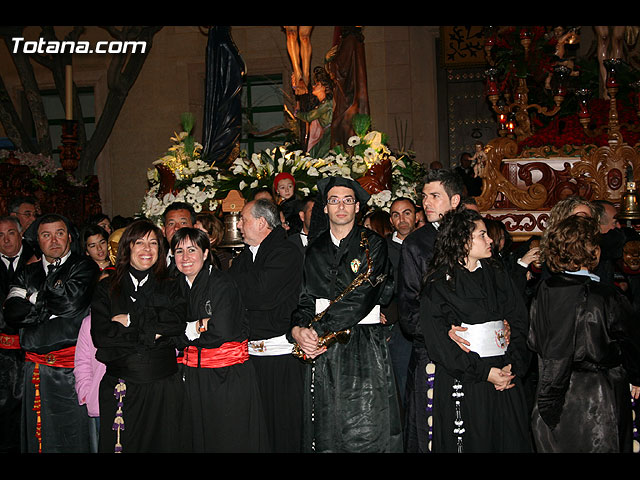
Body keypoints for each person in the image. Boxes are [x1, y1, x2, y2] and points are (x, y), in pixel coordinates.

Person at [289, 175, 400, 453]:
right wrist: (298, 331)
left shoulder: (373, 245)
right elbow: (305, 299)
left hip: (362, 346)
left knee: (366, 428)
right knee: (324, 428)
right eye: (334, 200)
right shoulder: (313, 250)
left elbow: (362, 297)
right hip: (321, 351)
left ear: (357, 207)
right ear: (324, 208)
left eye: (348, 200)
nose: (341, 206)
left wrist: (316, 332)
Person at [420, 207, 532, 453]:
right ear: (462, 240)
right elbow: (439, 344)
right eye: (482, 234)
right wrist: (484, 372)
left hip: (505, 375)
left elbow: (519, 318)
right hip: (467, 378)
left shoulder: (497, 274)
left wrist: (513, 365)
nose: (490, 239)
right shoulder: (439, 285)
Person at [529, 214, 640, 452]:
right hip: (599, 396)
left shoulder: (544, 290)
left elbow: (535, 340)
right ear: (594, 251)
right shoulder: (606, 295)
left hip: (551, 388)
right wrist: (636, 376)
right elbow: (631, 341)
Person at [3, 214, 100, 453]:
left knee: (75, 437)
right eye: (46, 235)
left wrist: (32, 298)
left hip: (71, 370)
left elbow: (71, 303)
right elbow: (12, 313)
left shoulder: (83, 266)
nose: (54, 240)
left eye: (59, 233)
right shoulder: (28, 272)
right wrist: (49, 303)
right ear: (37, 240)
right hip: (35, 370)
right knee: (40, 439)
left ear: (69, 236)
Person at [90, 220, 188, 453]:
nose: (147, 249)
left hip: (163, 387)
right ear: (127, 248)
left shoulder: (172, 286)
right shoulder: (107, 288)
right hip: (121, 386)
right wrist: (153, 332)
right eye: (140, 242)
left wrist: (131, 320)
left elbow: (176, 323)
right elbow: (102, 337)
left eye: (153, 243)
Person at [171, 227, 269, 452]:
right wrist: (197, 327)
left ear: (205, 253)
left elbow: (221, 330)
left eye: (192, 250)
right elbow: (169, 329)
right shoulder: (175, 286)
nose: (185, 258)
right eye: (179, 251)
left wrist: (185, 331)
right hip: (194, 376)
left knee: (228, 440)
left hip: (226, 376)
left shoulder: (221, 284)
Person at [229, 199, 305, 452]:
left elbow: (261, 296)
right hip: (250, 357)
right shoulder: (243, 259)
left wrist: (236, 285)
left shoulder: (286, 252)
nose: (238, 225)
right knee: (254, 432)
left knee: (284, 432)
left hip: (282, 359)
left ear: (261, 222)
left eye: (243, 219)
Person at [397, 168, 463, 453]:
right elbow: (409, 312)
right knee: (430, 434)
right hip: (432, 352)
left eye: (435, 196)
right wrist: (444, 333)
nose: (427, 203)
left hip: (473, 351)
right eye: (424, 196)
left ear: (455, 200)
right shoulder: (416, 244)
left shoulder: (473, 235)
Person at [0, 215, 33, 453]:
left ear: (21, 234)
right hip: (2, 354)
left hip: (30, 349)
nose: (6, 240)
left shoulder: (37, 260)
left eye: (11, 233)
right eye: (0, 235)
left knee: (30, 406)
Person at [385, 197, 417, 409]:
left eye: (407, 213)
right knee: (402, 383)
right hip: (397, 326)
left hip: (427, 322)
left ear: (416, 216)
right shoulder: (384, 249)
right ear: (391, 220)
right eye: (396, 215)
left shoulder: (429, 243)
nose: (402, 219)